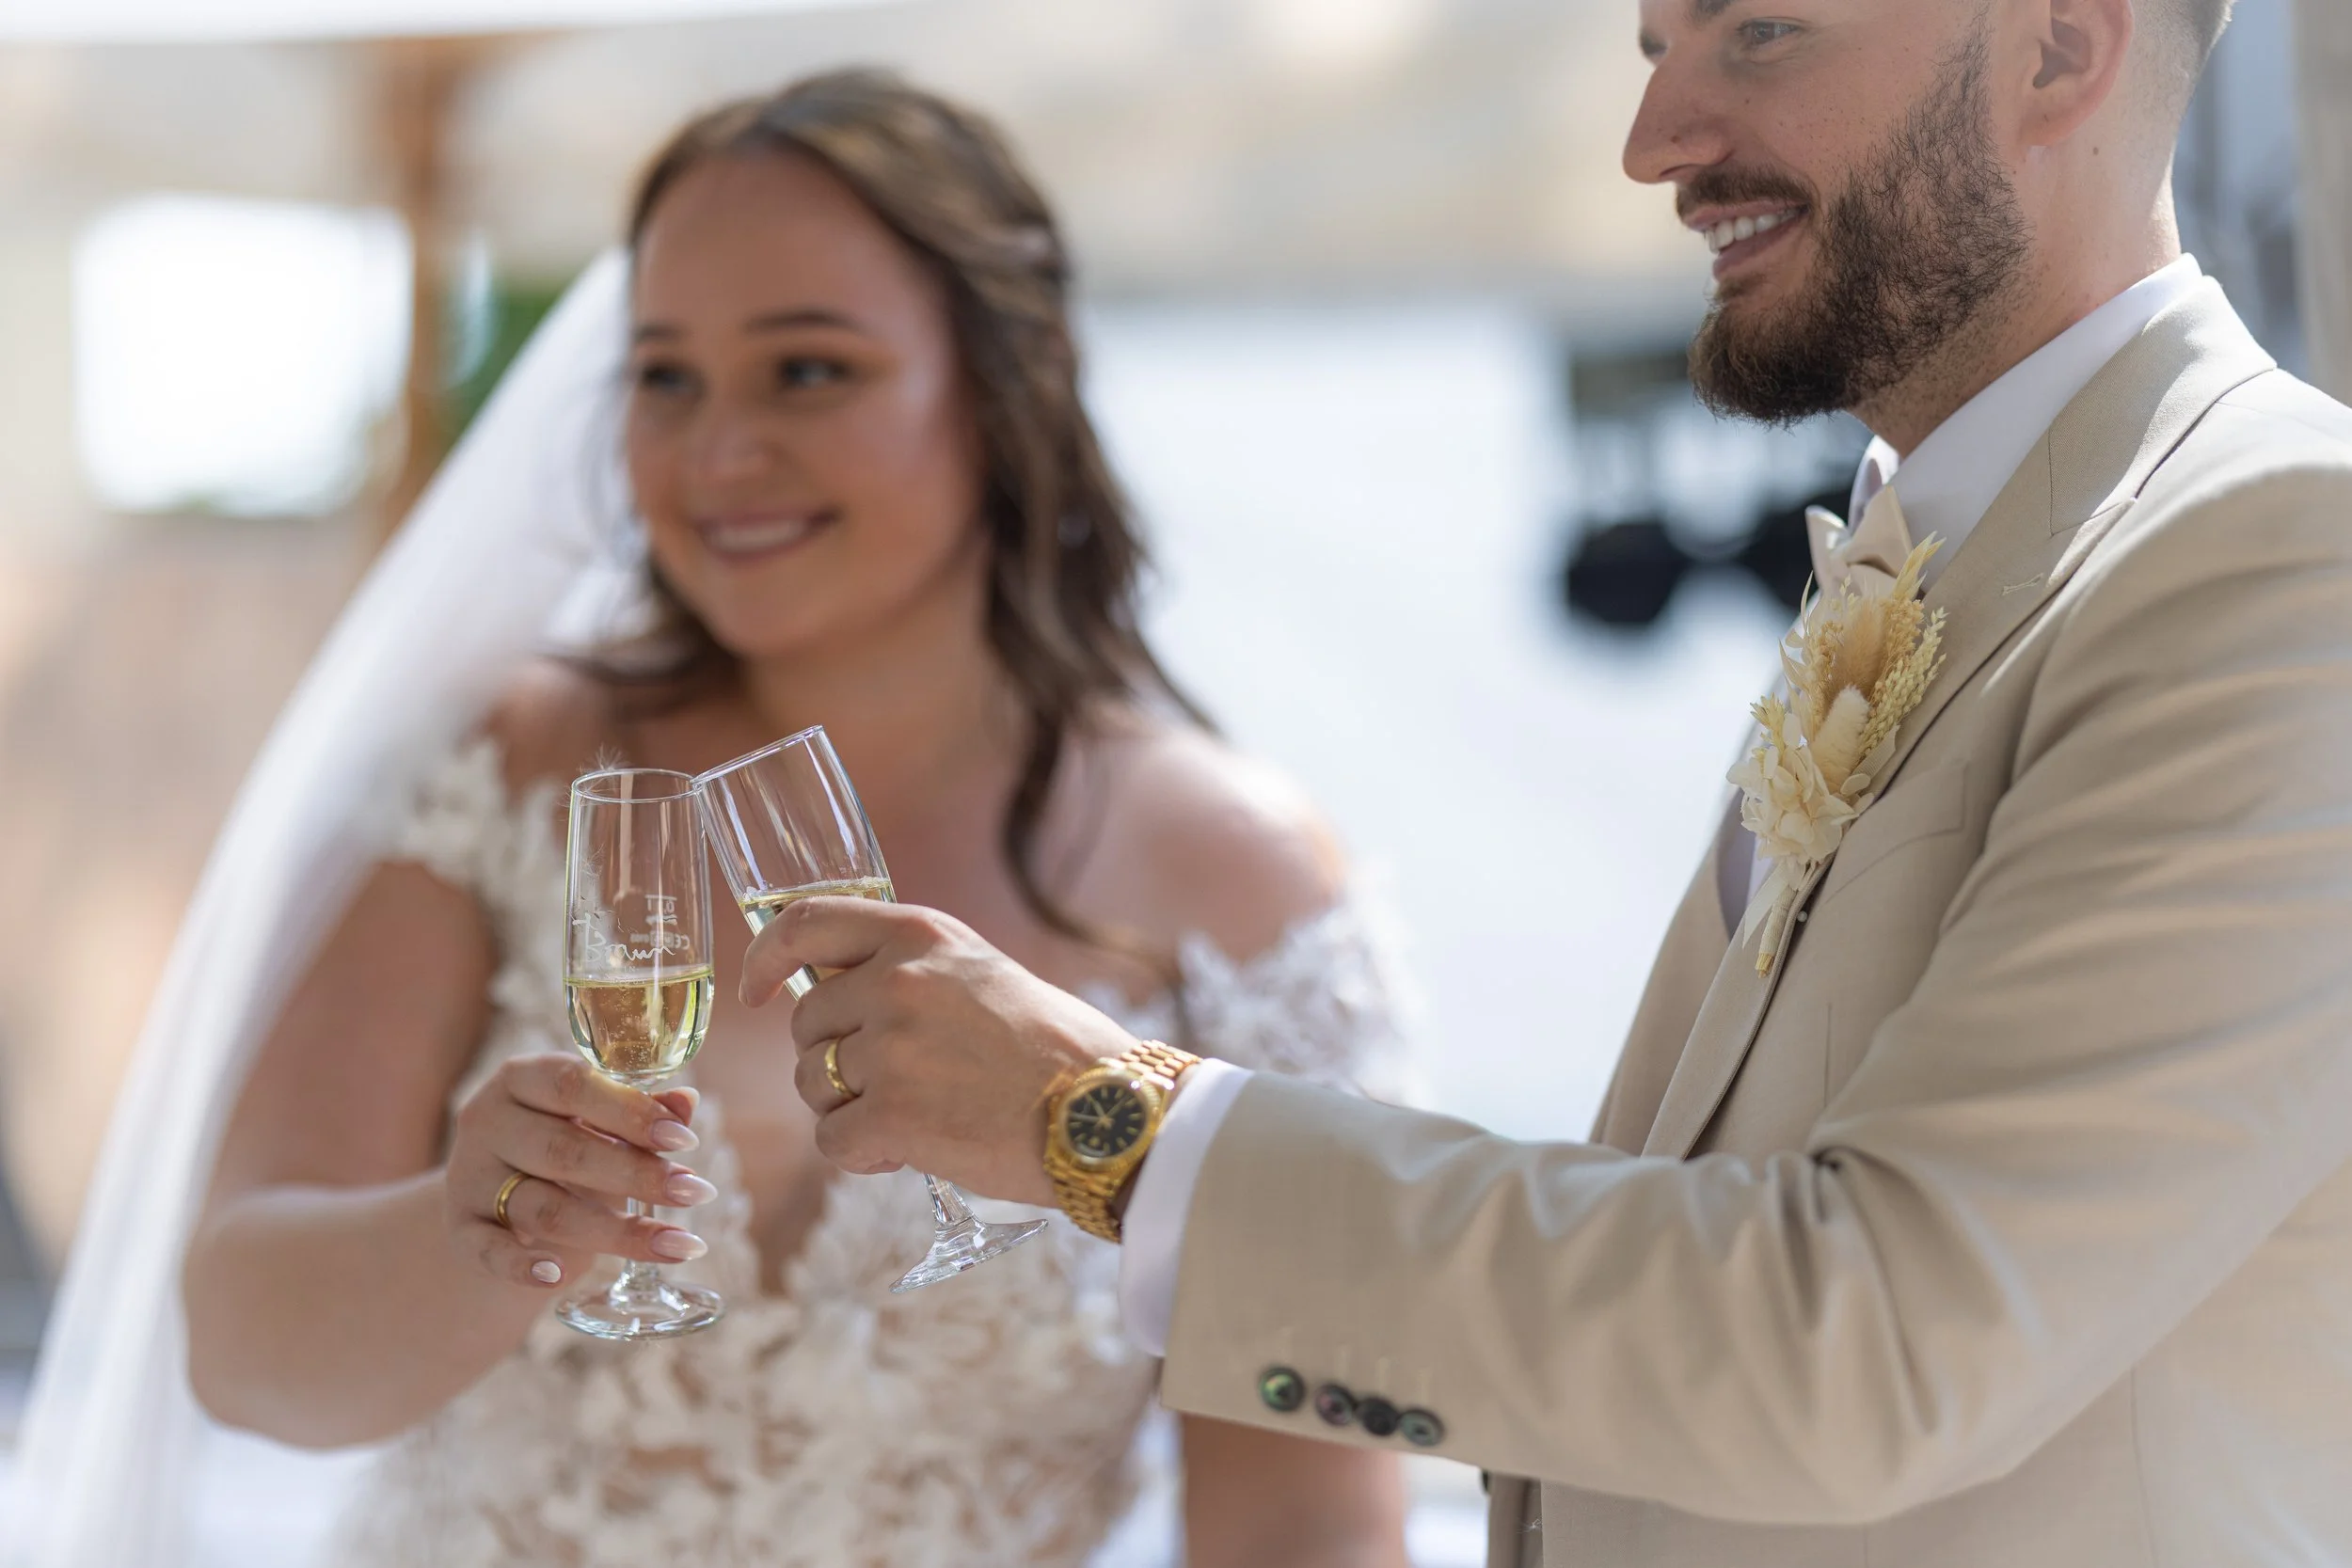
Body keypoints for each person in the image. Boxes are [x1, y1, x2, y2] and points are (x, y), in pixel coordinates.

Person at [740, 2, 2352, 1564]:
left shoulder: (2282, 557)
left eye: (1758, 33)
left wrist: (1106, 1125)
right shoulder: (1935, 544)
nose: (1659, 143)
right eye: (1658, 53)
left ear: (2060, 46)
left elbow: (1875, 1342)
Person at [17, 71, 1413, 1568]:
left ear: (1011, 384)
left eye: (808, 371)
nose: (718, 452)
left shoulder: (1237, 883)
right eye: (665, 377)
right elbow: (243, 1347)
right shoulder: (520, 769)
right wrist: (472, 1236)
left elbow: (1301, 1526)